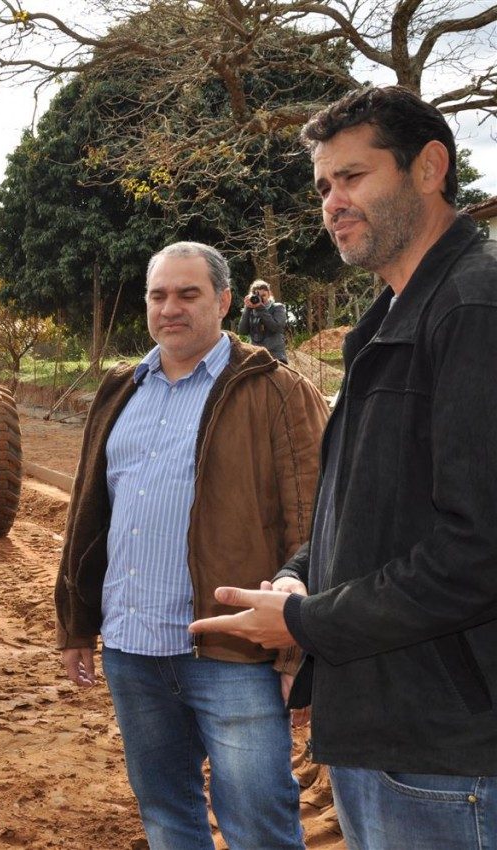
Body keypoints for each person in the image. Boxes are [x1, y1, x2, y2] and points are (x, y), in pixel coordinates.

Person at [189, 86, 497, 849]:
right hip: (387, 731)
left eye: (353, 177)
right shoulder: (388, 320)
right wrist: (300, 572)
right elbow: (364, 509)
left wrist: (302, 621)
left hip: (446, 753)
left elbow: (480, 550)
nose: (332, 201)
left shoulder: (473, 308)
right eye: (324, 186)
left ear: (430, 168)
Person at [55, 241, 328, 849]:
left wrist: (298, 648)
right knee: (167, 817)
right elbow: (87, 514)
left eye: (188, 293)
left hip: (235, 654)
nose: (169, 308)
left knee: (259, 827)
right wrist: (77, 622)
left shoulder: (277, 390)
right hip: (133, 650)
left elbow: (312, 525)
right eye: (158, 295)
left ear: (225, 301)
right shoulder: (121, 389)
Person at [238, 279, 289, 363]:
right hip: (256, 356)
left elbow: (276, 327)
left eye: (263, 295)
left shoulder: (277, 307)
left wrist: (260, 308)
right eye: (257, 295)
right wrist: (247, 308)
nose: (261, 298)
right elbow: (242, 331)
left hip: (275, 356)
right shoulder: (250, 311)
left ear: (269, 294)